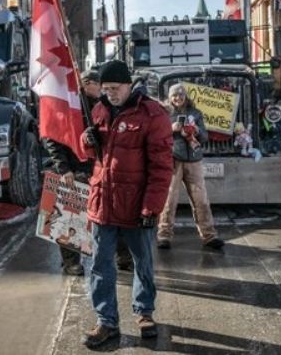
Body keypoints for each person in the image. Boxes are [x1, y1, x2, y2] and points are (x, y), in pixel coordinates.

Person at [79, 60, 173, 347]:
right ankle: (106, 321)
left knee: (142, 262)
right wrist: (86, 140)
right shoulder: (99, 111)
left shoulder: (152, 114)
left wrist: (151, 208)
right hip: (103, 203)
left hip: (136, 206)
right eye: (105, 89)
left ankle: (144, 311)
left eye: (115, 88)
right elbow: (91, 157)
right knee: (99, 265)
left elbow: (161, 167)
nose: (110, 94)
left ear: (128, 84)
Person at [44, 69, 134, 276]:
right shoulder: (67, 106)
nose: (101, 88)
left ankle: (123, 257)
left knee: (113, 214)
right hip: (73, 169)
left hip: (101, 167)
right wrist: (63, 168)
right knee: (68, 217)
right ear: (86, 84)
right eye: (97, 84)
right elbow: (53, 139)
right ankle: (70, 262)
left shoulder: (106, 105)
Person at [157, 83, 224, 250]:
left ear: (185, 96)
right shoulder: (164, 113)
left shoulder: (196, 113)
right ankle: (164, 236)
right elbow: (157, 136)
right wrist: (171, 129)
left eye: (180, 95)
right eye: (174, 96)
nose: (177, 98)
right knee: (169, 200)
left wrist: (196, 131)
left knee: (201, 200)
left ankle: (209, 236)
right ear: (170, 97)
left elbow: (204, 137)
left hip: (194, 160)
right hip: (173, 160)